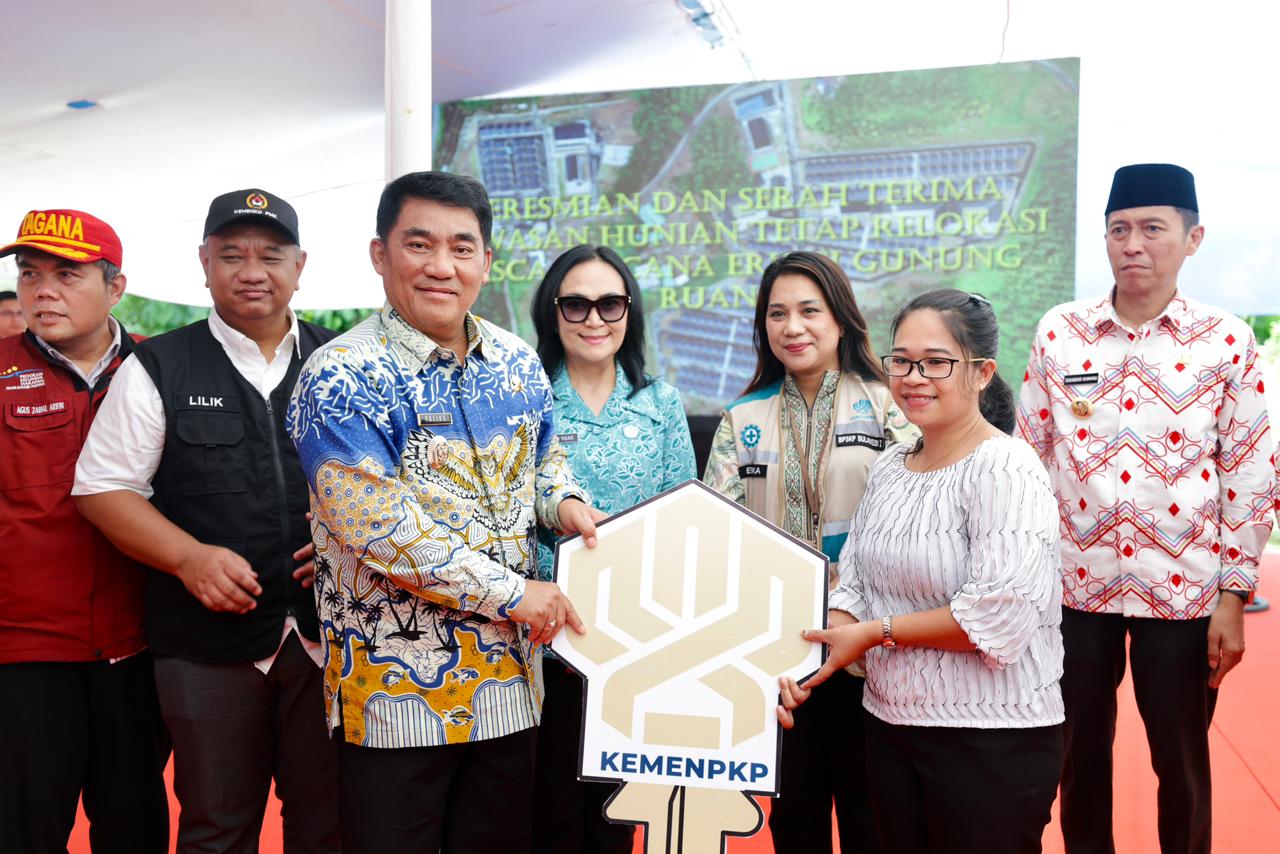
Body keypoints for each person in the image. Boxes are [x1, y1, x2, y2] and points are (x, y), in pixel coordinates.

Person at [287, 171, 604, 854]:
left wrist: (567, 503)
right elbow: (380, 528)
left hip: (511, 692)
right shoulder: (341, 374)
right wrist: (517, 594)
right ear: (380, 255)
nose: (441, 266)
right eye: (419, 244)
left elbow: (545, 462)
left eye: (462, 248)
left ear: (486, 262)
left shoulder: (518, 363)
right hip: (396, 700)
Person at [1016, 163, 1278, 854]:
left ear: (1193, 239)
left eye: (1152, 229)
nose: (1133, 244)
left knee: (1182, 763)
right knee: (1076, 757)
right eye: (1119, 229)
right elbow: (1028, 456)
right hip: (1074, 589)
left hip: (1185, 593)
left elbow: (1250, 471)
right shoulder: (1061, 332)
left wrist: (1233, 594)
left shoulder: (1226, 340)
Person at [74, 188, 340, 853]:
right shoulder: (159, 365)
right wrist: (188, 558)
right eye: (231, 255)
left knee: (331, 826)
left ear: (300, 266)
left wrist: (352, 546)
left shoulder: (343, 363)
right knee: (216, 829)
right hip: (203, 645)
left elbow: (401, 482)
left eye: (270, 256)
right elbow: (103, 489)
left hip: (331, 642)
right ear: (204, 263)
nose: (252, 271)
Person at [780, 288, 1065, 854]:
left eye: (936, 363)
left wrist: (875, 634)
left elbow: (999, 618)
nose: (914, 378)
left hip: (991, 739)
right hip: (888, 728)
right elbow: (855, 586)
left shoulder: (1006, 467)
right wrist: (803, 662)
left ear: (982, 373)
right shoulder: (891, 465)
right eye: (903, 361)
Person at [702, 250, 914, 854]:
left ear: (840, 319)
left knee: (874, 819)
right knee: (795, 818)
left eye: (809, 311)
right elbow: (721, 534)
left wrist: (858, 614)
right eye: (777, 314)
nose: (792, 327)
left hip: (874, 650)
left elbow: (915, 519)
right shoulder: (741, 418)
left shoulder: (888, 405)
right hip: (780, 655)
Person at [0, 209, 168, 852]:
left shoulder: (164, 369)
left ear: (115, 287)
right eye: (30, 274)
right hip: (25, 654)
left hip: (142, 647)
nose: (43, 291)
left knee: (134, 830)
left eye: (67, 276)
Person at [528, 244, 697, 853]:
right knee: (544, 816)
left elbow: (683, 519)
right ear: (552, 314)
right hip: (540, 642)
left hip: (634, 644)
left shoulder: (660, 402)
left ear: (630, 311)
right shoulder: (526, 398)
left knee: (614, 821)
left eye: (610, 304)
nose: (594, 319)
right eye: (576, 304)